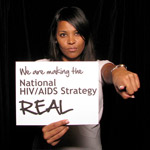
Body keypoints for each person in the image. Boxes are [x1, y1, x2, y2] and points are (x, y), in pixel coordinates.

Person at [32, 7, 140, 150]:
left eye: (77, 33)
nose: (71, 41)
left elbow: (108, 70)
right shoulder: (40, 68)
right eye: (63, 34)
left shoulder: (96, 67)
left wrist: (117, 71)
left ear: (86, 35)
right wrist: (42, 133)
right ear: (55, 38)